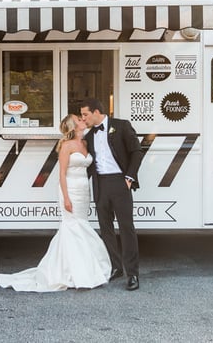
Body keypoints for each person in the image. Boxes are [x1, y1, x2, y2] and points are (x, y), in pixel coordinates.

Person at [0, 114, 111, 292]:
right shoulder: (66, 146)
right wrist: (66, 197)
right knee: (72, 226)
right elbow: (62, 174)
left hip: (83, 191)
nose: (83, 120)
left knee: (81, 224)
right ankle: (74, 272)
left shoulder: (85, 143)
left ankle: (84, 267)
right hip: (70, 189)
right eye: (79, 119)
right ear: (74, 126)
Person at [80, 98, 143, 291]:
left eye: (85, 114)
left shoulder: (121, 126)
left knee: (126, 228)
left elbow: (136, 152)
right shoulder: (89, 136)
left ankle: (132, 274)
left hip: (120, 182)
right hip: (100, 184)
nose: (84, 119)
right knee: (105, 228)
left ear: (97, 112)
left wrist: (130, 177)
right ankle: (116, 267)